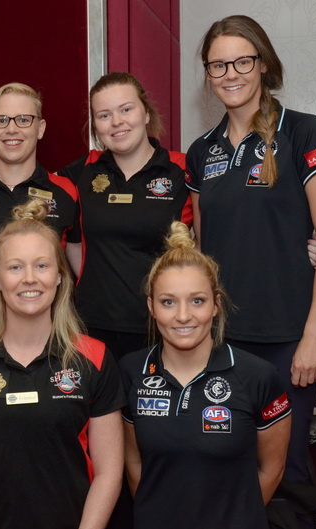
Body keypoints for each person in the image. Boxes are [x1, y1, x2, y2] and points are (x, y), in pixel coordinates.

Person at [186, 15, 316, 522]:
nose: (230, 73)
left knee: (285, 469)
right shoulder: (202, 151)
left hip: (286, 338)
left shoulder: (303, 131)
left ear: (263, 64)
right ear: (207, 73)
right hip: (220, 339)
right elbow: (200, 247)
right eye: (218, 65)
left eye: (242, 61)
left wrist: (314, 335)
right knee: (226, 461)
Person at [0, 200, 126, 529]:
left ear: (60, 276)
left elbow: (108, 473)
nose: (30, 279)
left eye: (42, 266)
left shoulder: (94, 357)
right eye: (15, 267)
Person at [120, 221, 292, 529]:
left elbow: (272, 470)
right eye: (168, 302)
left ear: (216, 305)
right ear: (151, 307)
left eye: (197, 301)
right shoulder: (131, 371)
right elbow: (133, 461)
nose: (183, 316)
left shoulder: (258, 376)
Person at [59, 72, 191, 361]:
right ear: (96, 125)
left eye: (126, 109)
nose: (117, 122)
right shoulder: (81, 172)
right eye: (104, 115)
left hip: (161, 327)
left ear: (146, 113)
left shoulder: (182, 171)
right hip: (91, 326)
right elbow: (69, 240)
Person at [0, 82, 80, 319]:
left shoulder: (67, 192)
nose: (11, 129)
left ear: (40, 128)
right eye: (1, 120)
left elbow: (83, 272)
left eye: (23, 119)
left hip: (52, 334)